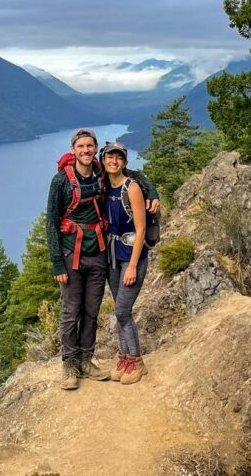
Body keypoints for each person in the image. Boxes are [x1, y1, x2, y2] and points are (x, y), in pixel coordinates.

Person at [47, 128, 109, 389]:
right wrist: (57, 263)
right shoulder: (61, 180)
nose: (85, 150)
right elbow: (51, 222)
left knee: (91, 312)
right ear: (73, 150)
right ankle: (69, 365)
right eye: (81, 146)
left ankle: (86, 360)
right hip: (71, 255)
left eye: (90, 146)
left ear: (95, 149)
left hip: (98, 254)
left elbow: (133, 176)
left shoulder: (101, 175)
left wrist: (150, 193)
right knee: (71, 312)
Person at [100, 141, 156, 384]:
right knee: (119, 311)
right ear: (103, 160)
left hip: (132, 255)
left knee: (123, 310)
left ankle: (136, 361)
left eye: (118, 158)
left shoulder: (131, 187)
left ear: (124, 162)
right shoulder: (104, 187)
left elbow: (141, 229)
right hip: (112, 255)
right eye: (110, 157)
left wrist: (133, 265)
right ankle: (124, 358)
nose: (114, 161)